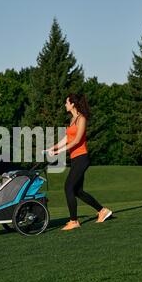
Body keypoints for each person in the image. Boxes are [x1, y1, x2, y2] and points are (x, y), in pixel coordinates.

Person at [44, 94, 113, 231]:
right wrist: (53, 147)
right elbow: (67, 139)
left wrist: (59, 152)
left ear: (73, 104)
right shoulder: (72, 119)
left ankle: (74, 221)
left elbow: (76, 140)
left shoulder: (81, 118)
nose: (65, 105)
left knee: (68, 187)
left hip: (82, 158)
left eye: (66, 102)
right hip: (75, 159)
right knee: (78, 191)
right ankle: (102, 211)